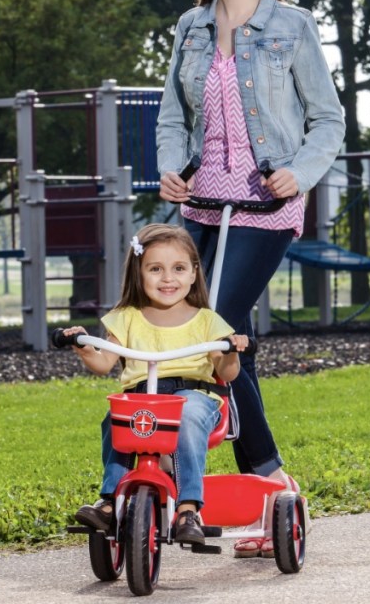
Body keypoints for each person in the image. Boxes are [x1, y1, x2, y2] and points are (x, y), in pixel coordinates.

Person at [156, 0, 344, 556]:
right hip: (200, 203)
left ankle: (260, 485)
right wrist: (170, 167)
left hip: (267, 205)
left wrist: (303, 170)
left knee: (214, 325)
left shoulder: (291, 25)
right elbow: (173, 116)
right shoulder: (190, 26)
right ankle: (272, 494)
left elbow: (329, 119)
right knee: (226, 341)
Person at [65, 224, 249, 545]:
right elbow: (103, 363)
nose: (168, 278)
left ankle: (189, 508)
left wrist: (231, 351)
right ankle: (110, 500)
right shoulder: (126, 317)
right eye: (155, 269)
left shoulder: (208, 320)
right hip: (141, 402)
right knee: (115, 418)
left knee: (188, 413)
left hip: (195, 398)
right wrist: (84, 348)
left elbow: (227, 372)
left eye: (178, 269)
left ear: (193, 273)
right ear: (139, 273)